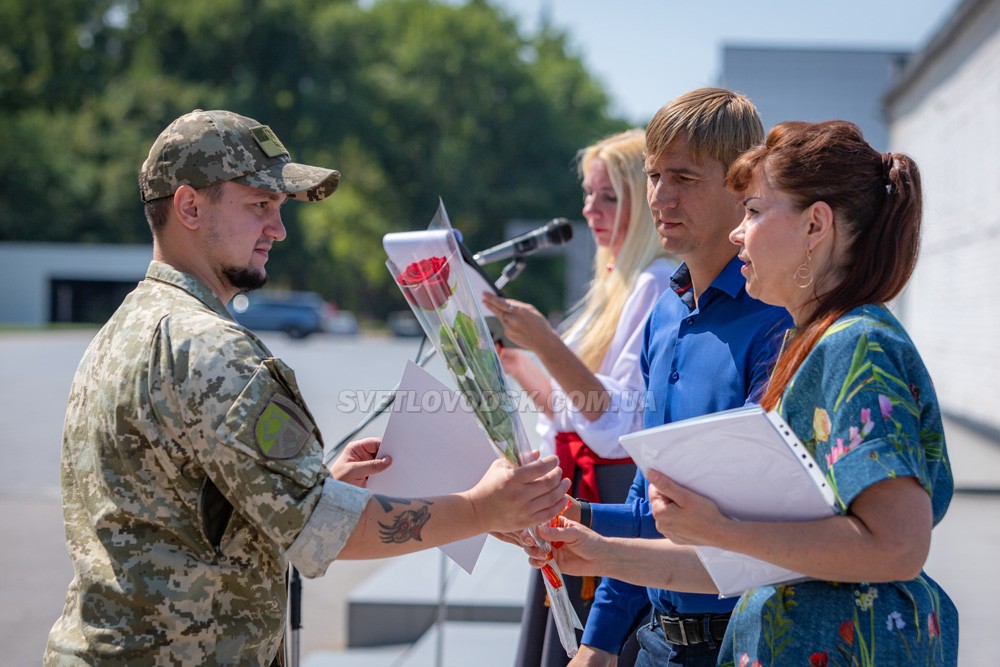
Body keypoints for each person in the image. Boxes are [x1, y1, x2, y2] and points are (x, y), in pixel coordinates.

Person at [43, 109, 571, 666]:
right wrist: (483, 509)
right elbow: (325, 531)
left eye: (278, 208)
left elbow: (179, 513)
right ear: (189, 206)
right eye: (259, 205)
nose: (278, 228)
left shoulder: (126, 328)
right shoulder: (214, 349)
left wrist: (316, 486)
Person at [526, 121, 959, 666]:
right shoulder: (813, 342)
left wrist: (720, 529)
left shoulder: (859, 346)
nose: (738, 231)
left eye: (754, 211)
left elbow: (898, 547)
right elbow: (755, 556)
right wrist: (598, 550)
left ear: (815, 226)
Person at [504, 88, 792, 667]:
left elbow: (739, 525)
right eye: (654, 176)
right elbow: (649, 491)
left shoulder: (777, 322)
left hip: (741, 641)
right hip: (656, 640)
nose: (660, 196)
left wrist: (577, 521)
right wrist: (601, 638)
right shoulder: (666, 310)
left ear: (743, 186)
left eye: (683, 177)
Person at [481, 129, 676, 667]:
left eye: (609, 195)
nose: (590, 209)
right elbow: (573, 415)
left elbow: (614, 424)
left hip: (611, 495)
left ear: (645, 197)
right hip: (580, 492)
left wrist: (542, 339)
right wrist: (516, 364)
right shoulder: (616, 282)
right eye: (588, 194)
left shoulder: (655, 282)